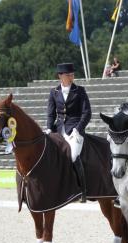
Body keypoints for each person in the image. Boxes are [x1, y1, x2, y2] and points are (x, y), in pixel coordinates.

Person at [46, 63, 91, 202]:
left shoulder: (80, 91)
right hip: (59, 129)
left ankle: (81, 190)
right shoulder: (54, 92)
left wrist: (78, 128)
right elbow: (50, 113)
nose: (71, 77)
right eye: (68, 75)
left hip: (75, 130)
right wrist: (48, 128)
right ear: (60, 76)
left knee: (72, 155)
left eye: (72, 75)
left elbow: (87, 113)